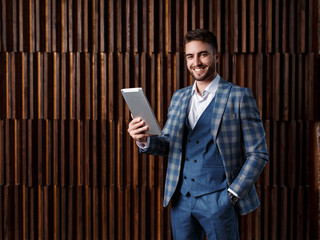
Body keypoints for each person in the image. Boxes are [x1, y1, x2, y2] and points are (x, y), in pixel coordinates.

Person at [127, 29, 268, 240]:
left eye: (203, 54)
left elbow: (258, 153)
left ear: (216, 56)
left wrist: (232, 194)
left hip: (219, 200)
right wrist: (144, 139)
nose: (196, 62)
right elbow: (168, 144)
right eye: (190, 56)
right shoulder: (179, 97)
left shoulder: (238, 96)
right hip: (181, 199)